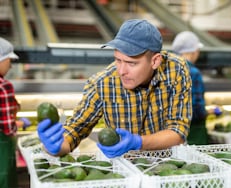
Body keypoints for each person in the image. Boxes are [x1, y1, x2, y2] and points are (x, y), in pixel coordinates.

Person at [37, 19, 192, 158]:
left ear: (155, 61)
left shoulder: (175, 70)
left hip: (169, 167)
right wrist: (54, 147)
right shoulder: (102, 84)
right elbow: (75, 130)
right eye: (118, 60)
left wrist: (138, 142)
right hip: (124, 170)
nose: (121, 71)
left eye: (131, 63)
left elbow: (178, 130)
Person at [171, 31, 221, 145]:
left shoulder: (170, 70)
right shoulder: (193, 72)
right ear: (194, 51)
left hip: (172, 133)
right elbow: (196, 111)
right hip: (193, 132)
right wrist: (211, 111)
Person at [0, 37, 20, 188]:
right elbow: (8, 128)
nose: (10, 65)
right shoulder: (3, 86)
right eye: (9, 60)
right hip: (2, 149)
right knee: (5, 187)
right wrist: (18, 125)